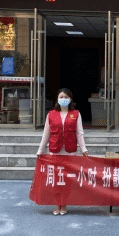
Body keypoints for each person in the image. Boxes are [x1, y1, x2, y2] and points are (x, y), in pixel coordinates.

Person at [37, 88, 89, 216]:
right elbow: (46, 134)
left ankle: (64, 203)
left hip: (69, 151)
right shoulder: (51, 114)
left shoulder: (76, 114)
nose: (63, 99)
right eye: (61, 97)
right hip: (55, 151)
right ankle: (57, 203)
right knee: (56, 178)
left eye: (66, 97)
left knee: (67, 179)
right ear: (57, 99)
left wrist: (84, 149)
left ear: (70, 99)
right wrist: (40, 149)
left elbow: (80, 133)